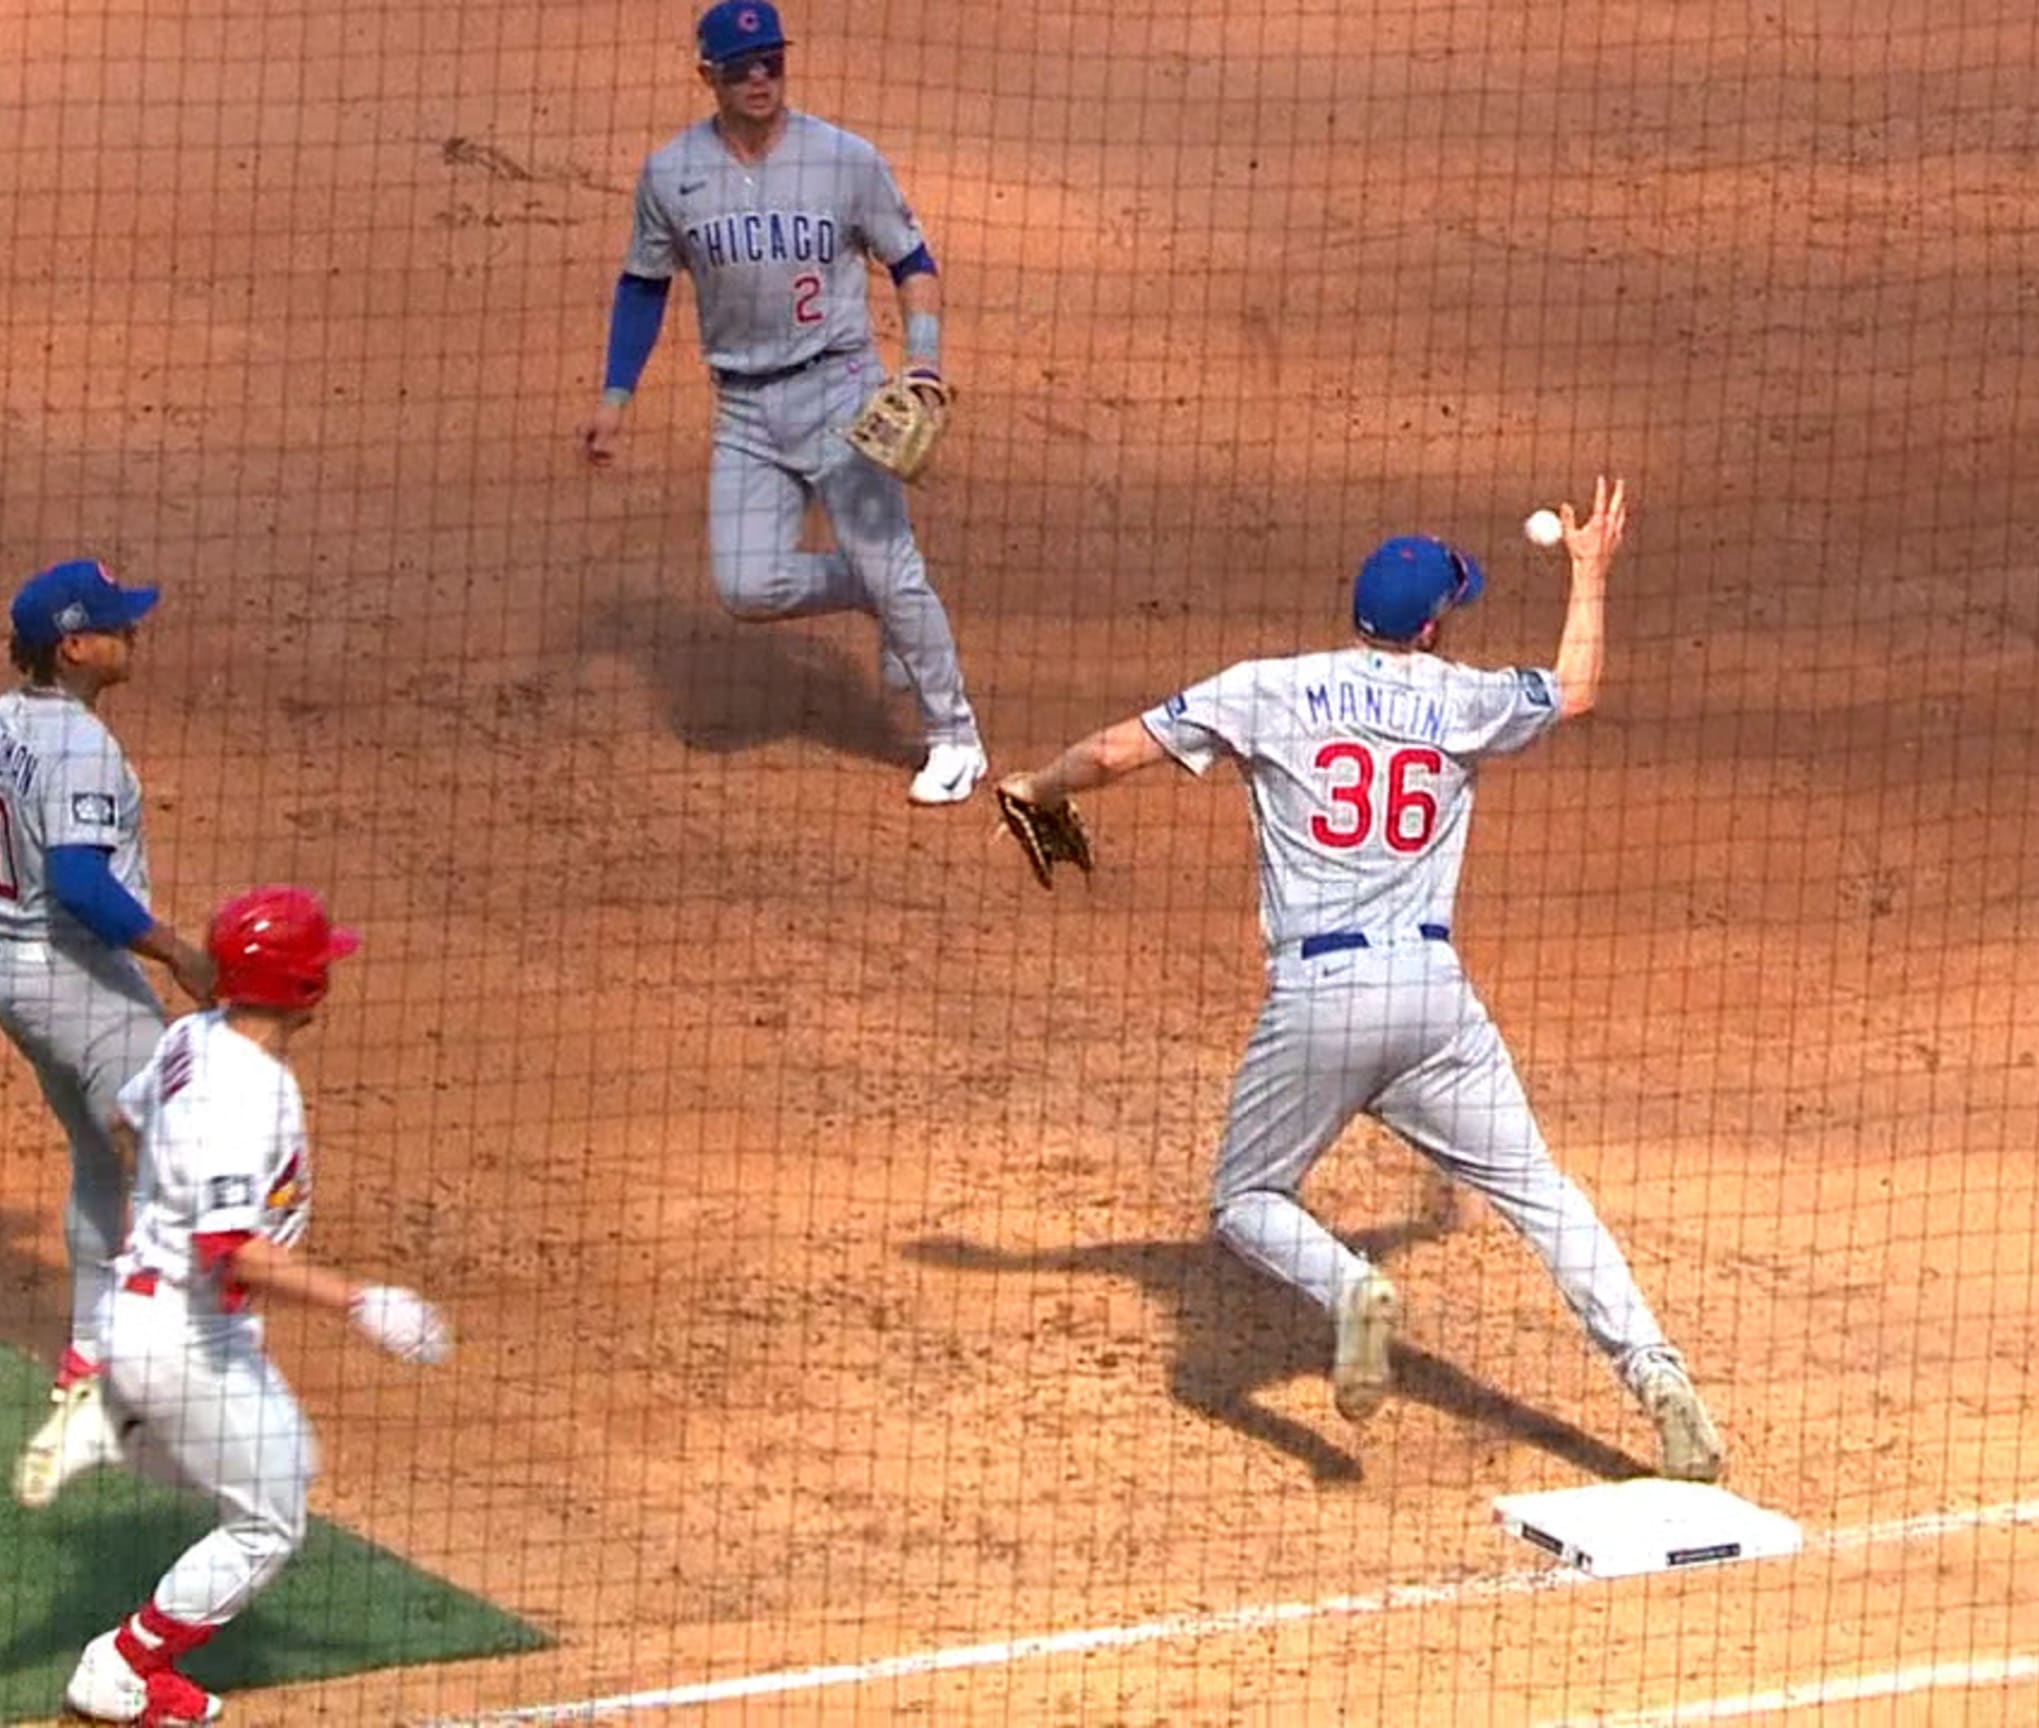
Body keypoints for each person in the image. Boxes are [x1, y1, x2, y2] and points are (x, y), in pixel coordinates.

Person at [995, 479, 1724, 1480]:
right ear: (1432, 626)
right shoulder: (1461, 699)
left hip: (1321, 1001)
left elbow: (1117, 753)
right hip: (1434, 1002)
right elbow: (1578, 685)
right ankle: (1657, 1376)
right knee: (1545, 1197)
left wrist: (1037, 785)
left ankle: (1348, 1291)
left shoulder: (1266, 686)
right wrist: (1590, 574)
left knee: (1248, 1198)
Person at [24, 886, 452, 1726]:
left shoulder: (193, 1036)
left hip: (151, 1312)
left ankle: (113, 1399)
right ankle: (122, 1668)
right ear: (301, 986)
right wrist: (363, 1302)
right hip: (185, 1334)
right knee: (269, 1520)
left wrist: (153, 1226)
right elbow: (235, 1251)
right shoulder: (249, 1094)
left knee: (275, 1468)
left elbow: (124, 1121)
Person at [580, 0, 989, 805]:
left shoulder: (843, 159)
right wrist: (615, 395)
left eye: (772, 60)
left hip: (841, 387)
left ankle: (955, 736)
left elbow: (913, 259)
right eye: (741, 67)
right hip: (742, 407)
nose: (760, 77)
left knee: (893, 563)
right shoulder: (672, 174)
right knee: (747, 587)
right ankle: (881, 593)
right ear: (709, 76)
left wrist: (925, 361)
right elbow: (642, 284)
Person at [0, 557, 218, 1508]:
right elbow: (84, 884)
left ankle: (89, 1360)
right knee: (172, 1161)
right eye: (117, 625)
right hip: (77, 980)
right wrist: (178, 951)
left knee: (103, 1163)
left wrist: (10, 946)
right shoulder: (78, 747)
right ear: (75, 645)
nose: (132, 634)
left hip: (12, 976)